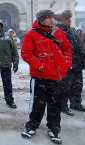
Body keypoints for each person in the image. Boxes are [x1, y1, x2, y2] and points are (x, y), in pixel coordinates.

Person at [20, 10, 72, 144]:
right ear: (41, 19)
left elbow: (67, 49)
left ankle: (54, 128)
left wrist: (66, 64)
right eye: (48, 18)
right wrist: (40, 65)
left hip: (56, 77)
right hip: (40, 77)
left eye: (52, 17)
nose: (51, 20)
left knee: (55, 104)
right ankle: (32, 125)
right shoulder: (31, 34)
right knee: (38, 104)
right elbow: (26, 53)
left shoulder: (57, 33)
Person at [55, 11, 85, 115]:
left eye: (69, 19)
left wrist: (84, 59)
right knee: (65, 86)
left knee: (77, 85)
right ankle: (63, 106)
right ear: (61, 20)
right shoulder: (57, 32)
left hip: (77, 63)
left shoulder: (72, 30)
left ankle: (76, 103)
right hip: (66, 64)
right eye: (67, 19)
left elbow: (79, 46)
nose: (70, 21)